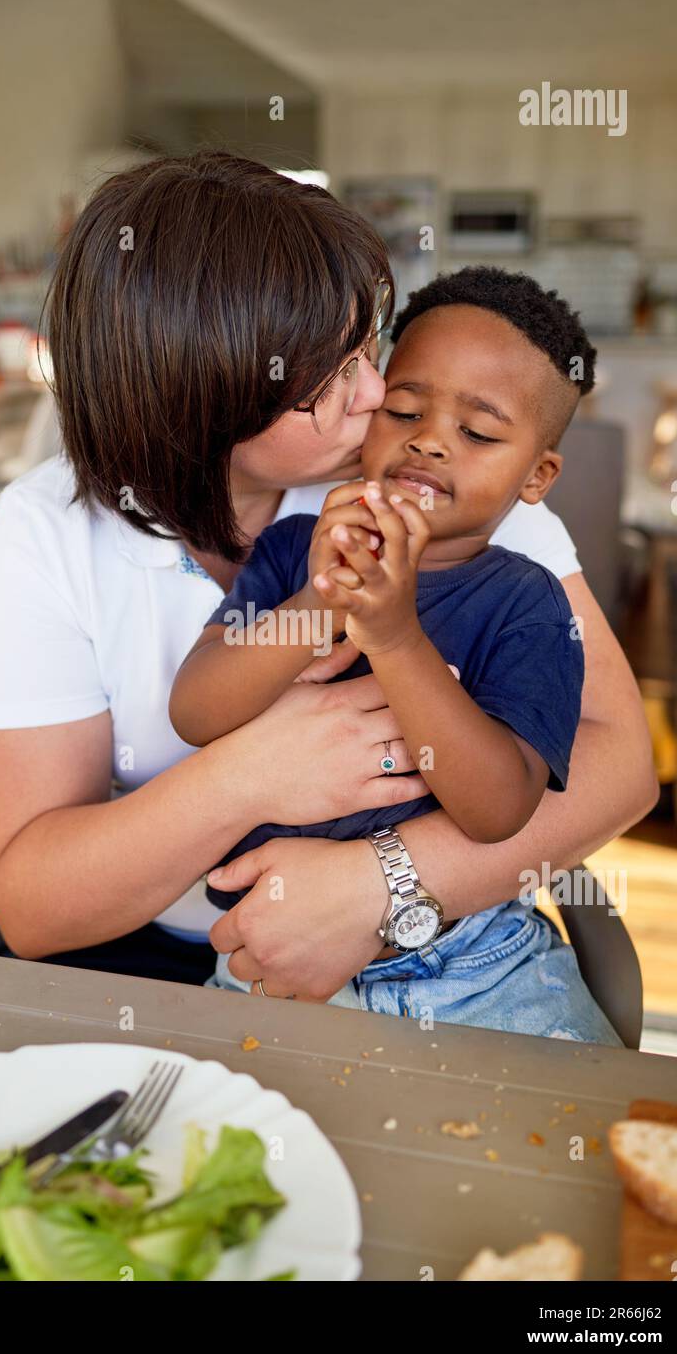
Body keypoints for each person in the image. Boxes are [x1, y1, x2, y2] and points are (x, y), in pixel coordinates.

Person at [0, 152, 657, 1008]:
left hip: (439, 944)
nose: (375, 396)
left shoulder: (441, 498)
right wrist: (254, 772)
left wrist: (380, 887)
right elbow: (30, 904)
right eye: (325, 373)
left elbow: (619, 764)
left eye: (368, 347)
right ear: (198, 388)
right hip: (147, 956)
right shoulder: (43, 536)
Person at [168, 268, 621, 1044]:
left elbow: (497, 810)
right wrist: (321, 601)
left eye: (477, 434)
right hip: (266, 966)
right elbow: (197, 711)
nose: (430, 438)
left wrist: (396, 637)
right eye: (405, 410)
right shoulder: (290, 553)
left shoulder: (527, 601)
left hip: (474, 965)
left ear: (536, 475)